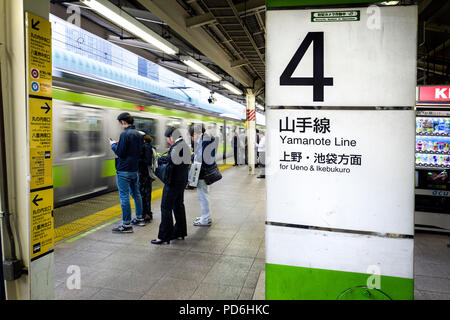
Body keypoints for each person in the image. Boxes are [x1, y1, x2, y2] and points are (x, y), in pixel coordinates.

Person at [151, 127, 190, 244]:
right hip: (181, 181)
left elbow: (171, 159)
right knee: (178, 206)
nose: (168, 141)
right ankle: (179, 232)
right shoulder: (185, 145)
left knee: (165, 208)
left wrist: (160, 158)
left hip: (173, 182)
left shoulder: (178, 146)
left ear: (171, 137)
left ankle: (163, 236)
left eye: (167, 139)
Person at [109, 112, 144, 233]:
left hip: (123, 170)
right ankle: (140, 218)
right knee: (136, 194)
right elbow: (138, 151)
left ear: (123, 122)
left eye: (121, 123)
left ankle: (126, 225)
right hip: (134, 169)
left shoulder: (124, 134)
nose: (121, 126)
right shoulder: (139, 135)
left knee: (124, 197)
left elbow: (120, 153)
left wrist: (113, 145)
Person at [189, 124, 217, 227]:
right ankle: (205, 217)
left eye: (192, 136)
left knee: (203, 196)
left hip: (203, 172)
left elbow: (202, 158)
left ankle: (205, 219)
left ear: (196, 134)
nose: (193, 139)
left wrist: (193, 156)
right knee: (204, 195)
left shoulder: (205, 141)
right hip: (205, 171)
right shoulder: (207, 139)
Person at [138, 132, 157, 223]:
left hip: (144, 175)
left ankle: (146, 214)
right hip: (144, 175)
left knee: (144, 195)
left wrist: (136, 159)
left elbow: (147, 161)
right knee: (145, 195)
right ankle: (146, 213)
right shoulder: (147, 146)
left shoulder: (146, 147)